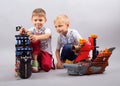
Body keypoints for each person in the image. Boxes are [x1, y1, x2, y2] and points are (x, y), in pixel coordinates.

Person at [19, 8, 52, 72]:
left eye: (40, 20)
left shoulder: (47, 30)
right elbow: (27, 33)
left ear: (45, 20)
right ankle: (35, 62)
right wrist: (22, 32)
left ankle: (40, 63)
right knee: (33, 41)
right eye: (35, 20)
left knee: (46, 67)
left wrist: (36, 37)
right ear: (32, 20)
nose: (37, 22)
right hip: (35, 52)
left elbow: (47, 35)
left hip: (45, 52)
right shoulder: (32, 29)